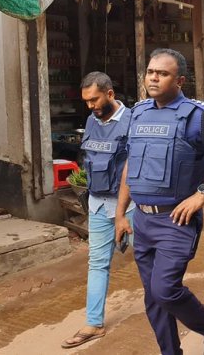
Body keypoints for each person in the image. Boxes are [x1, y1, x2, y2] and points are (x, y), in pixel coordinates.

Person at [115, 48, 204, 355]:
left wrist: (203, 193)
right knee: (153, 298)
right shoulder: (139, 113)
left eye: (163, 73)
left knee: (165, 290)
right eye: (150, 72)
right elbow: (131, 166)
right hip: (143, 221)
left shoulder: (198, 116)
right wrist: (121, 214)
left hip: (176, 220)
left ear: (180, 80)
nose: (153, 78)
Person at [61, 72, 135, 349]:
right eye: (86, 101)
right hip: (98, 203)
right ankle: (94, 323)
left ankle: (164, 311)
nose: (90, 106)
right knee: (97, 263)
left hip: (130, 207)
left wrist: (123, 212)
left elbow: (135, 168)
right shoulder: (91, 121)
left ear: (110, 94)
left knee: (149, 260)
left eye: (94, 99)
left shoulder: (132, 121)